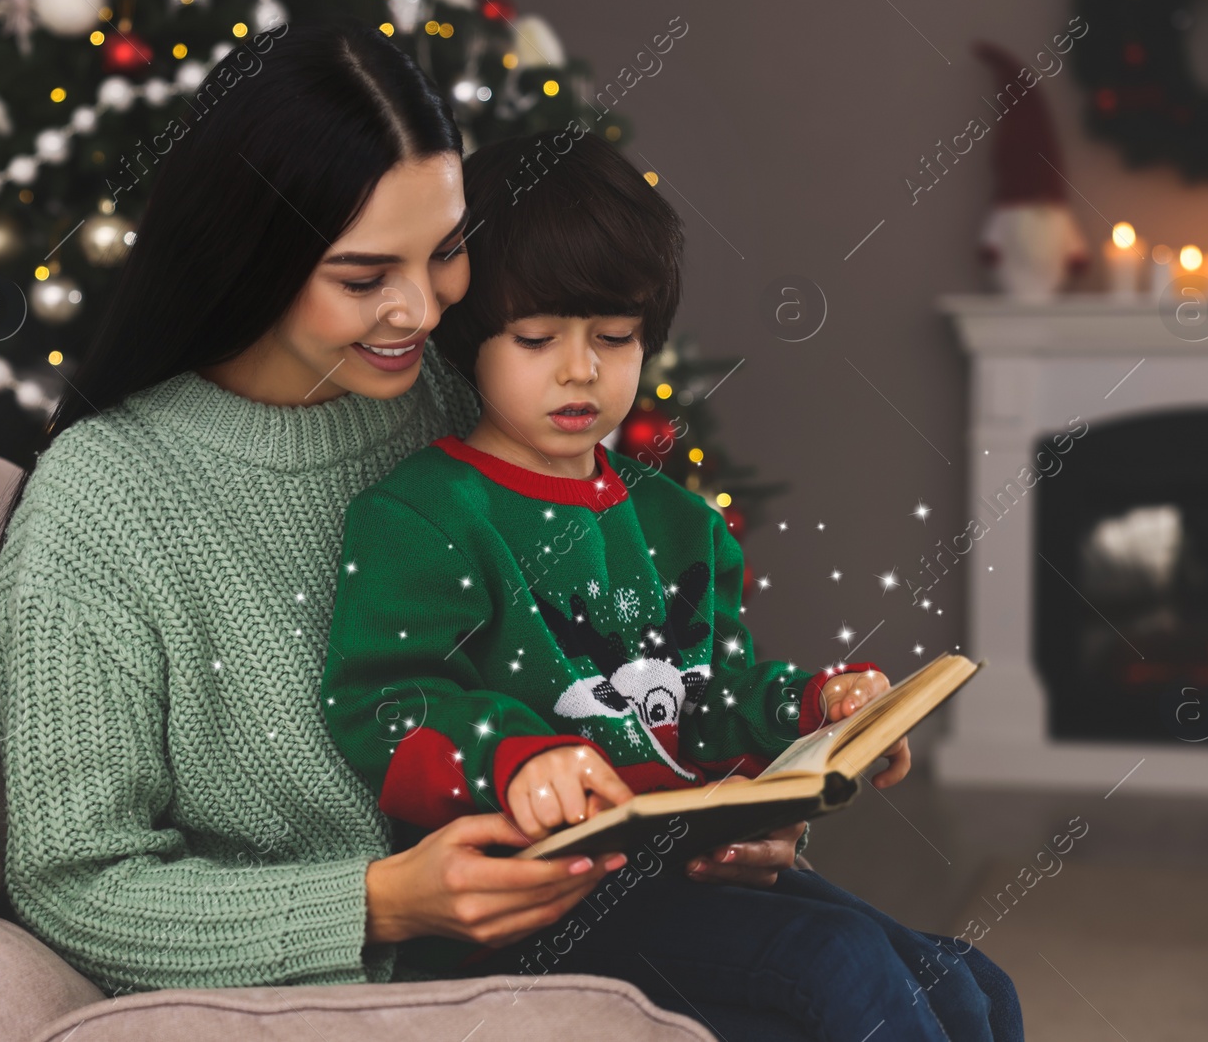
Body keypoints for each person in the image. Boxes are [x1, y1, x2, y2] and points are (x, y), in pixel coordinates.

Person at [0, 16, 807, 1013]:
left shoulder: (456, 398)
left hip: (607, 894)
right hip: (375, 992)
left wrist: (732, 794)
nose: (425, 307)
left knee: (951, 979)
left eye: (448, 249)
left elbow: (624, 657)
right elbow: (76, 887)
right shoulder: (103, 503)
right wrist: (377, 904)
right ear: (254, 255)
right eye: (366, 277)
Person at [318, 131, 1023, 1040]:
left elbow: (721, 692)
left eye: (614, 339)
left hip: (686, 867)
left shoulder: (678, 522)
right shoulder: (426, 512)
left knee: (970, 980)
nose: (581, 369)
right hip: (544, 902)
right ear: (468, 338)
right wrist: (519, 757)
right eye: (537, 338)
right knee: (837, 967)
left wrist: (819, 708)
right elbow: (388, 704)